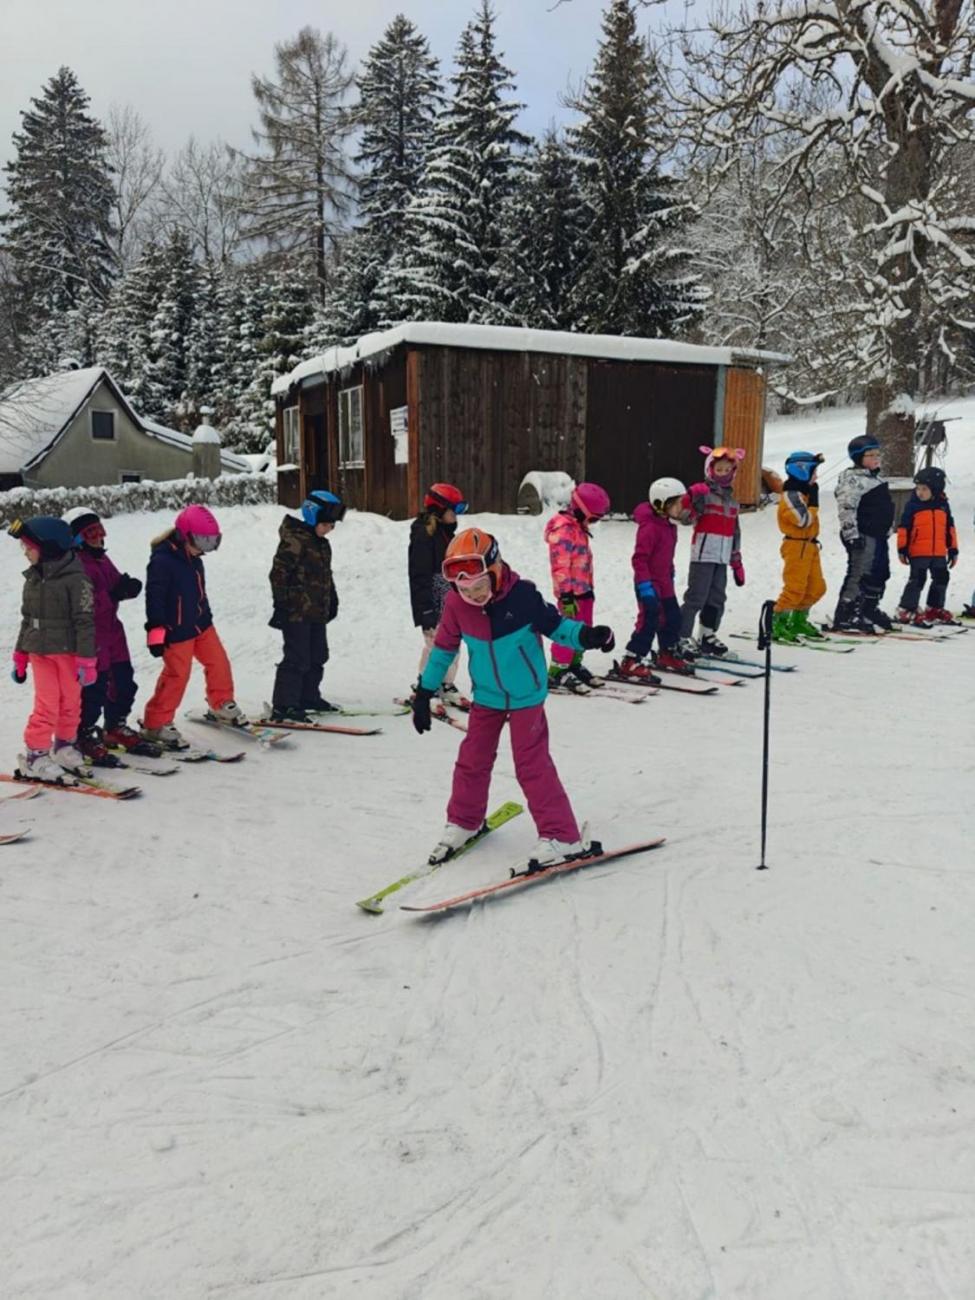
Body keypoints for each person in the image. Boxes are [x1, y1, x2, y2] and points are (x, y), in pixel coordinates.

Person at [411, 527, 615, 868]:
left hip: (525, 696)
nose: (473, 595)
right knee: (471, 760)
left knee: (531, 765)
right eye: (464, 589)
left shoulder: (523, 596)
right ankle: (465, 821)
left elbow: (558, 627)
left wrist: (589, 636)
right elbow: (444, 649)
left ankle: (562, 836)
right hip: (487, 696)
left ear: (495, 571)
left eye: (479, 586)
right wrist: (424, 692)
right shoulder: (456, 605)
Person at [140, 505, 248, 749]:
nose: (205, 549)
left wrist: (205, 616)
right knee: (177, 675)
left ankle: (221, 703)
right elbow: (154, 598)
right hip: (176, 630)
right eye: (202, 541)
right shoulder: (162, 561)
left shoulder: (194, 558)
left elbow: (199, 592)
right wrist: (156, 632)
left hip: (201, 625)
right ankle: (155, 723)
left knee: (219, 662)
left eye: (211, 542)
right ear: (184, 535)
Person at [8, 516, 96, 782]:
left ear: (49, 548)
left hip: (69, 652)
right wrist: (20, 655)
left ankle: (65, 746)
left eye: (29, 547)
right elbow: (27, 618)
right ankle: (35, 754)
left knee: (70, 701)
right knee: (47, 704)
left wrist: (86, 660)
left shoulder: (77, 580)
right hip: (40, 652)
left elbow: (85, 621)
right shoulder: (33, 579)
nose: (25, 552)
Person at [62, 506, 145, 764]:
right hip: (92, 637)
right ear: (77, 540)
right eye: (90, 534)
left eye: (99, 531)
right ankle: (84, 733)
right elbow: (82, 604)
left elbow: (113, 582)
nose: (98, 538)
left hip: (113, 633)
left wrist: (125, 586)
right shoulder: (76, 565)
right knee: (94, 691)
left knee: (124, 682)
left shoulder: (101, 558)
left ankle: (115, 726)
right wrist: (112, 595)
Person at [269, 490, 344, 721]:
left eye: (332, 524)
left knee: (318, 655)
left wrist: (332, 598)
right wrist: (281, 605)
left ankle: (308, 696)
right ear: (312, 517)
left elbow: (325, 575)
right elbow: (278, 574)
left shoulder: (322, 544)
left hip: (316, 611)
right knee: (296, 657)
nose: (329, 528)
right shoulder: (295, 540)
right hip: (295, 612)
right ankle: (284, 704)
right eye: (325, 523)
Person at [614, 476, 692, 679]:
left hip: (665, 581)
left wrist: (670, 571)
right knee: (650, 620)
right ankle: (631, 659)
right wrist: (645, 586)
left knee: (673, 617)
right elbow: (639, 559)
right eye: (677, 504)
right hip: (648, 583)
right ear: (661, 504)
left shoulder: (668, 525)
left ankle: (667, 653)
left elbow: (665, 555)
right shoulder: (650, 528)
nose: (681, 508)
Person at [677, 445, 747, 657]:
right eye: (720, 470)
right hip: (703, 555)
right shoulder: (704, 494)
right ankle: (680, 637)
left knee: (717, 598)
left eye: (728, 470)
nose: (724, 474)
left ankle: (707, 635)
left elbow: (735, 531)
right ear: (710, 470)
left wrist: (736, 560)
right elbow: (685, 517)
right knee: (696, 597)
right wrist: (690, 497)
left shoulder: (732, 501)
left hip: (723, 556)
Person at [543, 481, 610, 689]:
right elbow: (560, 566)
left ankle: (573, 664)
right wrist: (566, 595)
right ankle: (557, 671)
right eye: (594, 518)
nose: (594, 522)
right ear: (582, 511)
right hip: (571, 594)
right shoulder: (563, 530)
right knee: (567, 631)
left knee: (584, 630)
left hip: (584, 590)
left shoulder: (578, 527)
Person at [408, 482, 467, 700]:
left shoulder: (446, 533)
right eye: (455, 510)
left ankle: (446, 684)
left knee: (453, 642)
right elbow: (419, 576)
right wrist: (425, 610)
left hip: (449, 599)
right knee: (436, 646)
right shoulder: (424, 535)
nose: (458, 515)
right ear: (439, 509)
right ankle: (426, 685)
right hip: (431, 601)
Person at [833, 434, 895, 632]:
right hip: (862, 534)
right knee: (860, 572)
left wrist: (888, 528)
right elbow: (846, 508)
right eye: (870, 455)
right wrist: (851, 535)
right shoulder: (853, 480)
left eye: (878, 454)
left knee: (880, 572)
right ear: (858, 458)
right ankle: (847, 612)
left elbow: (885, 508)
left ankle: (869, 608)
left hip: (878, 535)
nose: (876, 458)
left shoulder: (876, 479)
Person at [771, 452, 828, 643]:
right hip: (796, 546)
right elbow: (802, 520)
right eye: (813, 472)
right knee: (795, 588)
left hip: (810, 546)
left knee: (816, 588)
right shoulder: (791, 494)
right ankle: (776, 622)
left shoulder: (803, 492)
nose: (816, 477)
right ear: (801, 471)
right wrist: (813, 503)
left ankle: (798, 620)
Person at [894, 467, 959, 625]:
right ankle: (906, 608)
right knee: (918, 579)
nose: (919, 492)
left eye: (924, 489)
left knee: (942, 578)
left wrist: (953, 549)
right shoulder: (913, 506)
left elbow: (950, 529)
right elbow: (904, 528)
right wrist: (902, 548)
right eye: (917, 488)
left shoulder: (943, 506)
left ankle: (934, 607)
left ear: (936, 489)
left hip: (938, 552)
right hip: (918, 552)